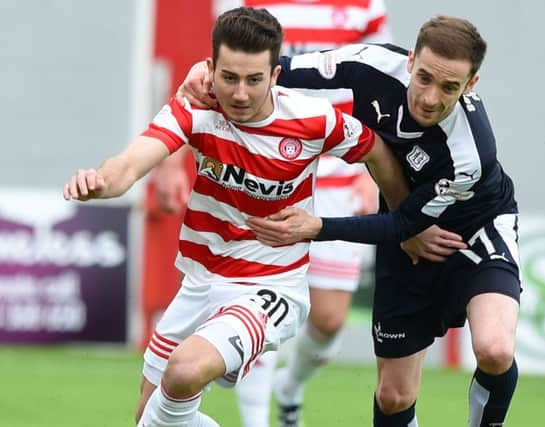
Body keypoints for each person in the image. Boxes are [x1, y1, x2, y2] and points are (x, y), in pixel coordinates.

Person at [63, 7, 407, 427]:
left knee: (185, 371)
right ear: (210, 69)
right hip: (201, 282)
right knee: (149, 420)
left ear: (275, 75)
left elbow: (379, 152)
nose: (240, 94)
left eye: (254, 80)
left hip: (273, 287)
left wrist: (407, 222)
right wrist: (99, 181)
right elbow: (130, 164)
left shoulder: (314, 119)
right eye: (229, 78)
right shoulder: (194, 110)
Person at [179, 15, 521, 427]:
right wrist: (204, 69)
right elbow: (278, 68)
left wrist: (318, 227)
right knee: (394, 397)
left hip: (474, 231)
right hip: (405, 225)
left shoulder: (470, 151)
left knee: (495, 348)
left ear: (470, 86)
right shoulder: (370, 62)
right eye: (425, 77)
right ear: (411, 60)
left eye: (449, 88)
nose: (430, 98)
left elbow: (404, 225)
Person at [160, 1, 396, 426]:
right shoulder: (247, 6)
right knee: (253, 297)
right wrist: (172, 162)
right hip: (257, 163)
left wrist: (371, 174)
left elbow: (378, 79)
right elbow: (209, 72)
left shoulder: (364, 6)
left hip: (336, 169)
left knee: (328, 320)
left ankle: (290, 388)